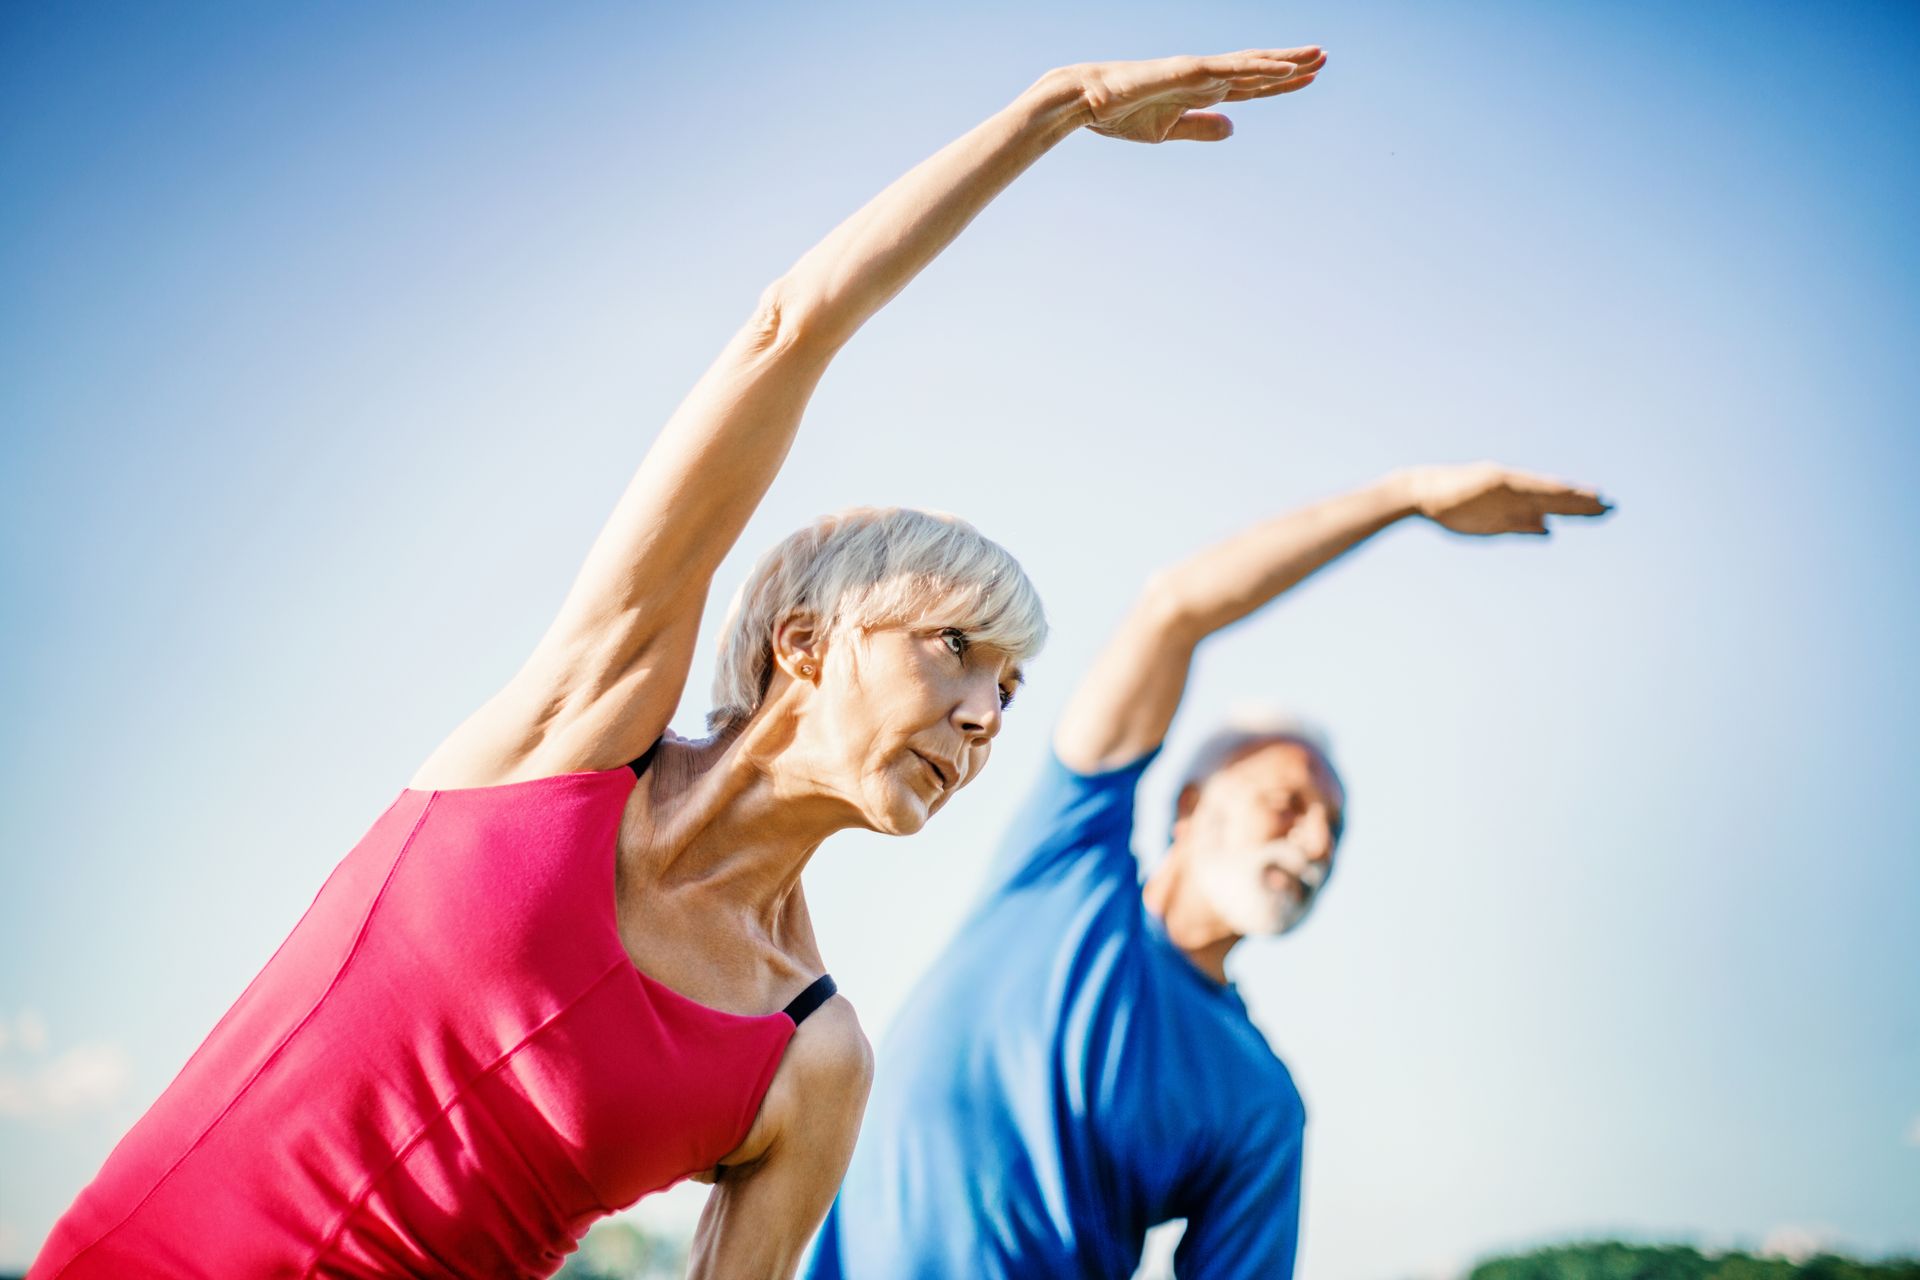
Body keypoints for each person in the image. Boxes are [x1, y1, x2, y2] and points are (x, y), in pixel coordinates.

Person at [30, 45, 1332, 1280]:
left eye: (1010, 690)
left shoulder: (812, 1061)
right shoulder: (571, 735)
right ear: (805, 640)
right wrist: (1053, 109)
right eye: (957, 649)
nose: (988, 714)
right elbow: (785, 332)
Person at [809, 463, 1611, 1279]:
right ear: (1190, 807)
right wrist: (1403, 500)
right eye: (1288, 805)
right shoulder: (1064, 865)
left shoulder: (1261, 1105)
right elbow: (1174, 610)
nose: (1316, 846)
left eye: (1336, 830)